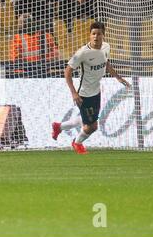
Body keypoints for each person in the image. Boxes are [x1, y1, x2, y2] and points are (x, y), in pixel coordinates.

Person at [51, 22, 130, 154]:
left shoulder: (106, 47)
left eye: (99, 34)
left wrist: (117, 77)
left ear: (103, 35)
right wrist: (74, 93)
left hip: (96, 92)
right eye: (93, 34)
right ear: (89, 35)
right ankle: (77, 143)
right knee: (92, 126)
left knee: (88, 119)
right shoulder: (82, 53)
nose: (96, 37)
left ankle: (59, 126)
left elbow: (106, 62)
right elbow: (67, 72)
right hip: (84, 94)